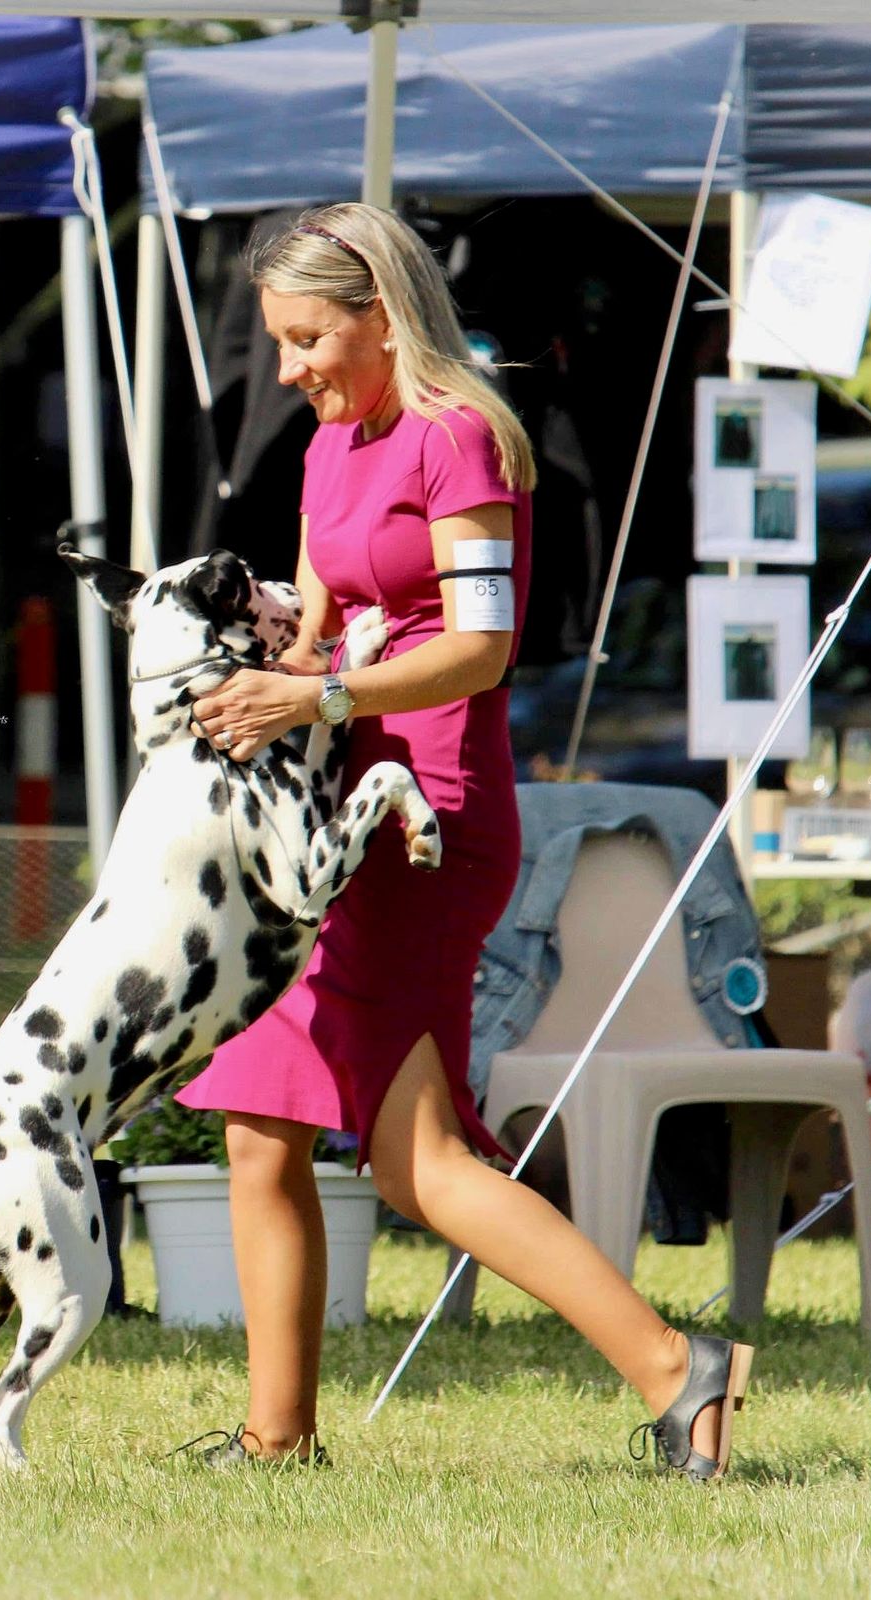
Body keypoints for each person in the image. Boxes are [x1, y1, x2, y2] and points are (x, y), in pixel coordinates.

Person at [178, 202, 752, 1480]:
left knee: (415, 1160)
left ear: (382, 315)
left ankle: (675, 1365)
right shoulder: (330, 445)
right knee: (260, 1120)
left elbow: (481, 650)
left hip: (424, 824)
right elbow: (316, 632)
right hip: (334, 822)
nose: (290, 370)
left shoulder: (461, 439)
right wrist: (245, 668)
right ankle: (276, 1437)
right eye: (277, 343)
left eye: (308, 338)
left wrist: (317, 698)